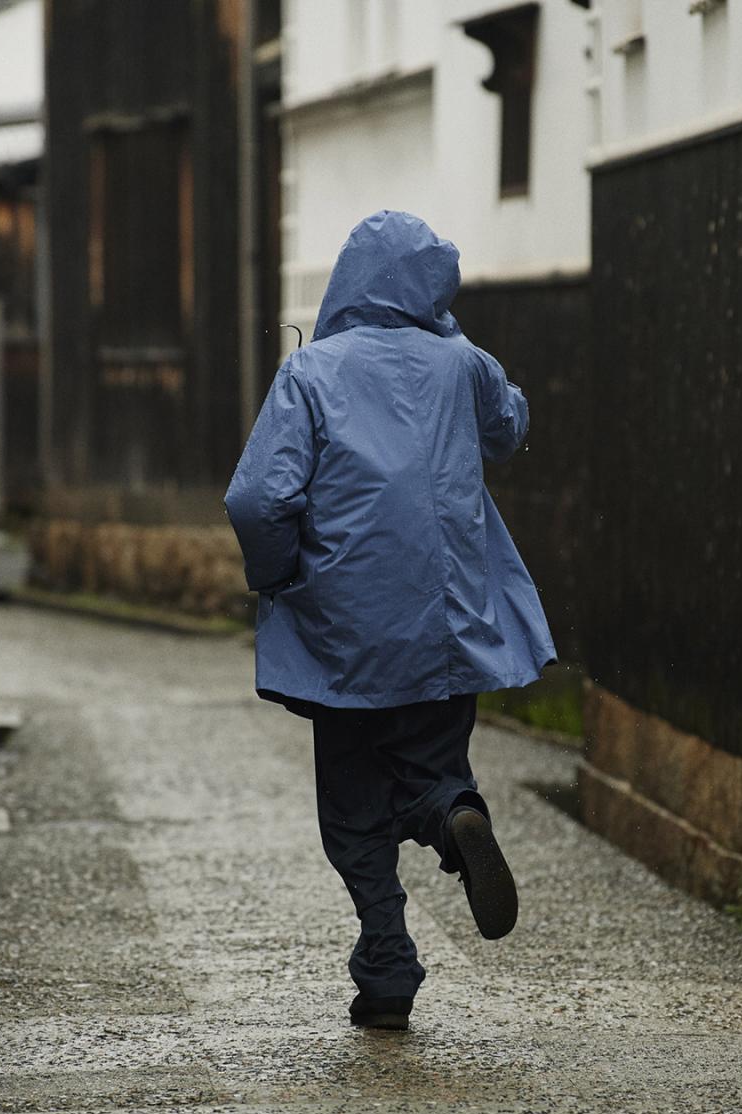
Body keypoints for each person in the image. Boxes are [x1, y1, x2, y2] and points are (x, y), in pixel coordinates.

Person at [225, 210, 557, 1031]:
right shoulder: (461, 364)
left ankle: (388, 965)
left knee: (351, 803)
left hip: (342, 630)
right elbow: (510, 430)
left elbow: (259, 497)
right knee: (431, 764)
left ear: (348, 278)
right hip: (447, 624)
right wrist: (456, 341)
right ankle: (453, 815)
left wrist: (279, 577)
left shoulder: (311, 373)